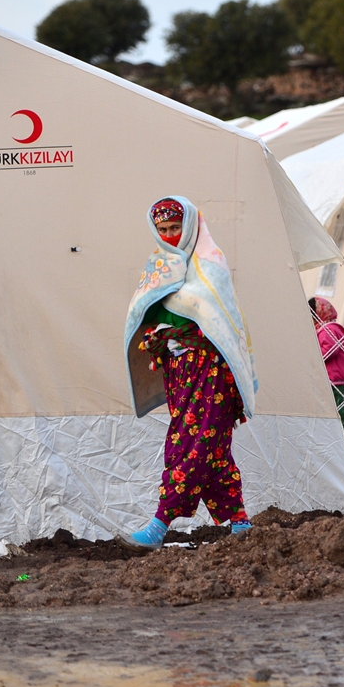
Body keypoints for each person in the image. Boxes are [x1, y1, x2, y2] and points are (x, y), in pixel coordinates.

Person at [118, 196, 260, 552]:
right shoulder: (161, 266)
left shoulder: (210, 263)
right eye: (162, 230)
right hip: (180, 371)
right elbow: (147, 314)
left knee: (188, 444)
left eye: (175, 227)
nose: (169, 236)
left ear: (192, 225)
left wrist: (176, 332)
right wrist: (159, 337)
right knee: (212, 447)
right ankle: (240, 521)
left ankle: (160, 522)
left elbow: (220, 323)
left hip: (212, 369)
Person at [310, 296, 344, 440]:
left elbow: (330, 350)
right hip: (336, 374)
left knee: (336, 406)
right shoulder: (330, 328)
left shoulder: (327, 330)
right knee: (333, 404)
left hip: (334, 375)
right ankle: (338, 430)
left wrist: (315, 358)